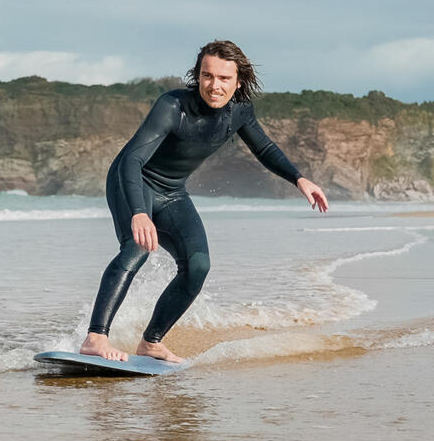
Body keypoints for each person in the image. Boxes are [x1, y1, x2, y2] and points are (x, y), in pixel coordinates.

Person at [80, 40, 328, 363]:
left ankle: (151, 342)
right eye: (207, 76)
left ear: (238, 82)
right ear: (198, 75)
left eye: (224, 78)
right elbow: (131, 160)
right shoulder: (172, 106)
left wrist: (299, 178)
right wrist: (139, 213)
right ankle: (95, 337)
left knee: (197, 267)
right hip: (132, 181)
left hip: (171, 192)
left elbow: (264, 149)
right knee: (136, 249)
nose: (214, 86)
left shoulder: (239, 112)